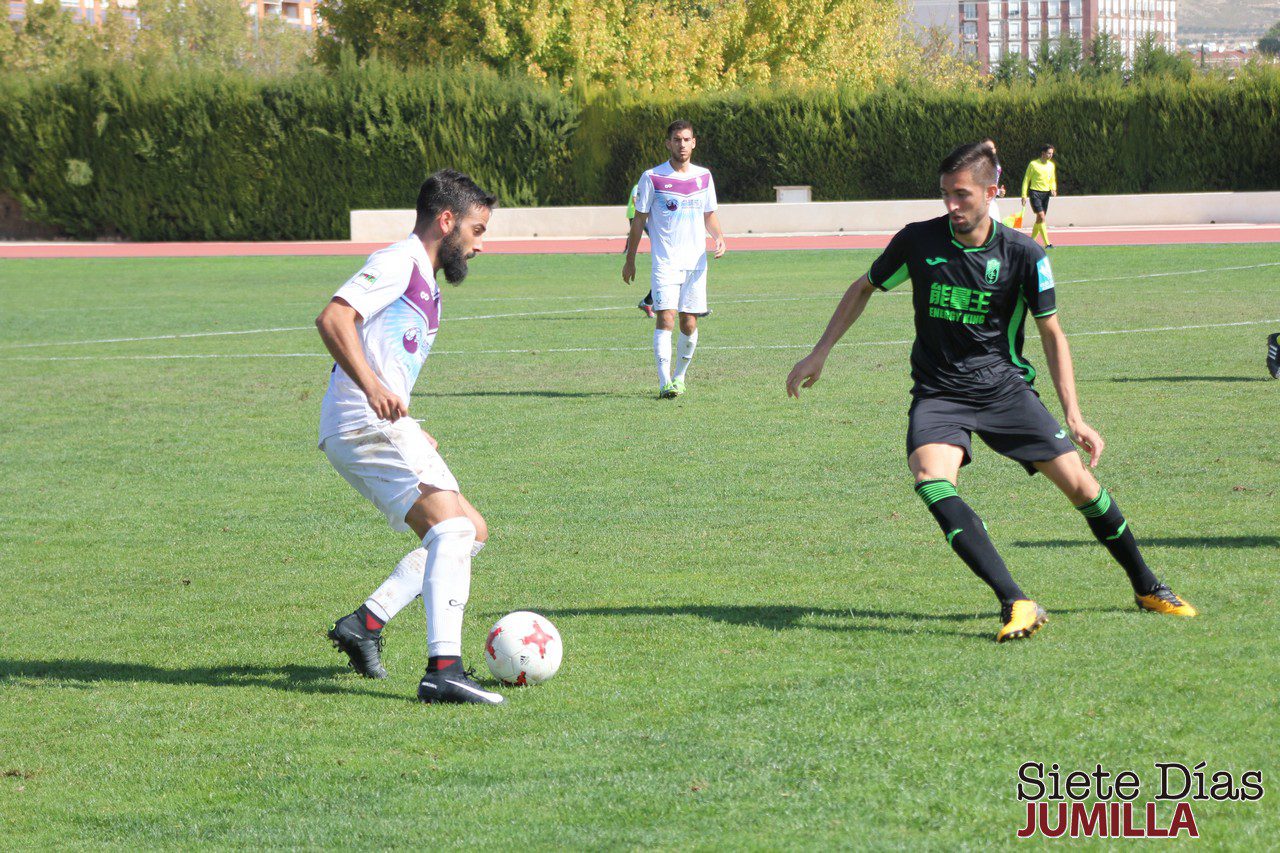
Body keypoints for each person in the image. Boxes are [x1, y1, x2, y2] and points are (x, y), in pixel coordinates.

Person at [786, 141, 1196, 643]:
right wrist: (820, 351)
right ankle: (1017, 601)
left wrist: (1075, 414)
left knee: (1084, 489)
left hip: (1005, 391)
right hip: (939, 393)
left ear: (992, 192)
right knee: (931, 480)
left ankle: (1148, 586)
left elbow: (1052, 333)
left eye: (962, 195)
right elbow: (864, 286)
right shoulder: (918, 241)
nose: (952, 206)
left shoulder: (1025, 254)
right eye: (945, 195)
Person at [316, 169, 505, 704]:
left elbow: (383, 352)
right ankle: (444, 669)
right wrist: (374, 389)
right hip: (362, 422)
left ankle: (366, 624)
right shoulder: (398, 262)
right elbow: (334, 319)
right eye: (476, 229)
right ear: (446, 221)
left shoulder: (422, 276)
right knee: (451, 532)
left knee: (471, 529)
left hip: (383, 424)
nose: (479, 245)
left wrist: (412, 428)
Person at [622, 119, 727, 398]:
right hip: (665, 262)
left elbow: (709, 214)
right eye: (676, 140)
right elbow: (638, 220)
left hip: (695, 263)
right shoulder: (652, 176)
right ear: (668, 143)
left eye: (686, 139)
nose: (682, 144)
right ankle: (663, 381)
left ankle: (680, 378)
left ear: (694, 142)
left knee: (688, 322)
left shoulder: (704, 176)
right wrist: (630, 259)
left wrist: (719, 237)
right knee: (665, 318)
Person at [627, 181, 656, 318]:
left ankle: (650, 301)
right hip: (638, 216)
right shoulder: (639, 186)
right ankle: (649, 301)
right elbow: (635, 200)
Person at [1021, 144, 1057, 249]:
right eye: (1049, 153)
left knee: (1039, 219)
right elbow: (1026, 179)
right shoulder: (1033, 164)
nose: (1050, 155)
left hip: (1046, 194)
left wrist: (1053, 188)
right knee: (1041, 216)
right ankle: (1047, 243)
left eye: (1052, 153)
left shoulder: (1051, 165)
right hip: (1035, 193)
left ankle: (1031, 242)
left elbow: (1052, 179)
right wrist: (1024, 195)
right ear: (1043, 153)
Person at [980, 138, 1007, 226]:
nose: (990, 150)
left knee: (996, 228)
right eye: (987, 148)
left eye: (992, 148)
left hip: (992, 200)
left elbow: (991, 183)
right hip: (982, 200)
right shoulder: (980, 164)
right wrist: (997, 191)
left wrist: (998, 191)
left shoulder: (995, 163)